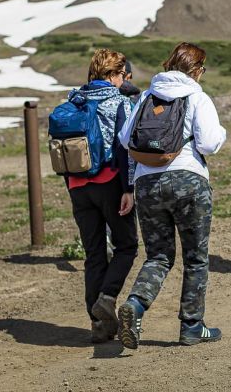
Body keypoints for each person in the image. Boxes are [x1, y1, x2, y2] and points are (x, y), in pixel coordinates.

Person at [117, 42, 227, 349]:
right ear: (195, 70)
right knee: (195, 258)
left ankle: (135, 305)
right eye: (202, 69)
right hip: (188, 180)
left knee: (159, 256)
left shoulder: (146, 98)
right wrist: (223, 135)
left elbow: (126, 139)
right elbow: (208, 144)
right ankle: (192, 326)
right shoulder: (198, 97)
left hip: (147, 184)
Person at [63, 49, 139, 343]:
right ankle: (107, 298)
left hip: (77, 186)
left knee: (94, 254)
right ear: (111, 75)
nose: (123, 80)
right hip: (109, 182)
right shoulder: (120, 102)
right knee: (127, 245)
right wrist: (129, 189)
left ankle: (99, 324)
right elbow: (126, 150)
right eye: (120, 74)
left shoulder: (74, 100)